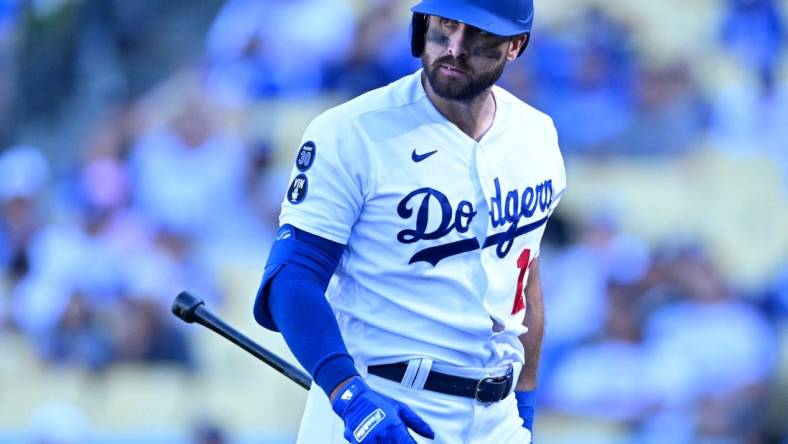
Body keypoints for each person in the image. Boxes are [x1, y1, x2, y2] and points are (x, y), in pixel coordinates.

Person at [253, 1, 566, 443]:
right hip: (382, 404)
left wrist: (524, 412)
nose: (455, 48)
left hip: (496, 418)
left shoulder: (536, 136)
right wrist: (348, 395)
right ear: (423, 27)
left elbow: (524, 282)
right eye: (445, 27)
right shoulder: (352, 131)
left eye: (479, 36)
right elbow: (291, 279)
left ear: (515, 46)